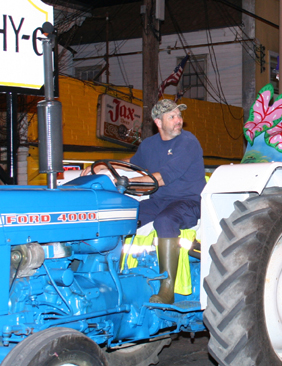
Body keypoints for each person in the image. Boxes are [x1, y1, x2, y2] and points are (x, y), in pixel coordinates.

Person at [84, 99, 206, 304]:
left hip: (189, 201)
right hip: (160, 201)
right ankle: (111, 274)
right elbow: (132, 164)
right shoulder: (149, 145)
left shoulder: (188, 142)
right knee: (125, 215)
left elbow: (161, 177)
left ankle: (167, 288)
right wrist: (103, 167)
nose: (179, 120)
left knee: (165, 221)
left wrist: (122, 181)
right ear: (158, 122)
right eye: (172, 116)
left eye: (179, 116)